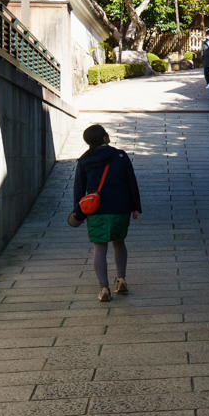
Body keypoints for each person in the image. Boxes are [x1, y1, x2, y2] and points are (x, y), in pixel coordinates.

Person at [67, 124, 142, 302]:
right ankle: (121, 279)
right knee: (119, 242)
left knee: (99, 247)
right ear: (105, 138)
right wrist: (136, 206)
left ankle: (104, 288)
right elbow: (131, 182)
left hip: (96, 209)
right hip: (120, 207)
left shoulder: (84, 160)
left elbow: (79, 190)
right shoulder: (120, 156)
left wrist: (79, 213)